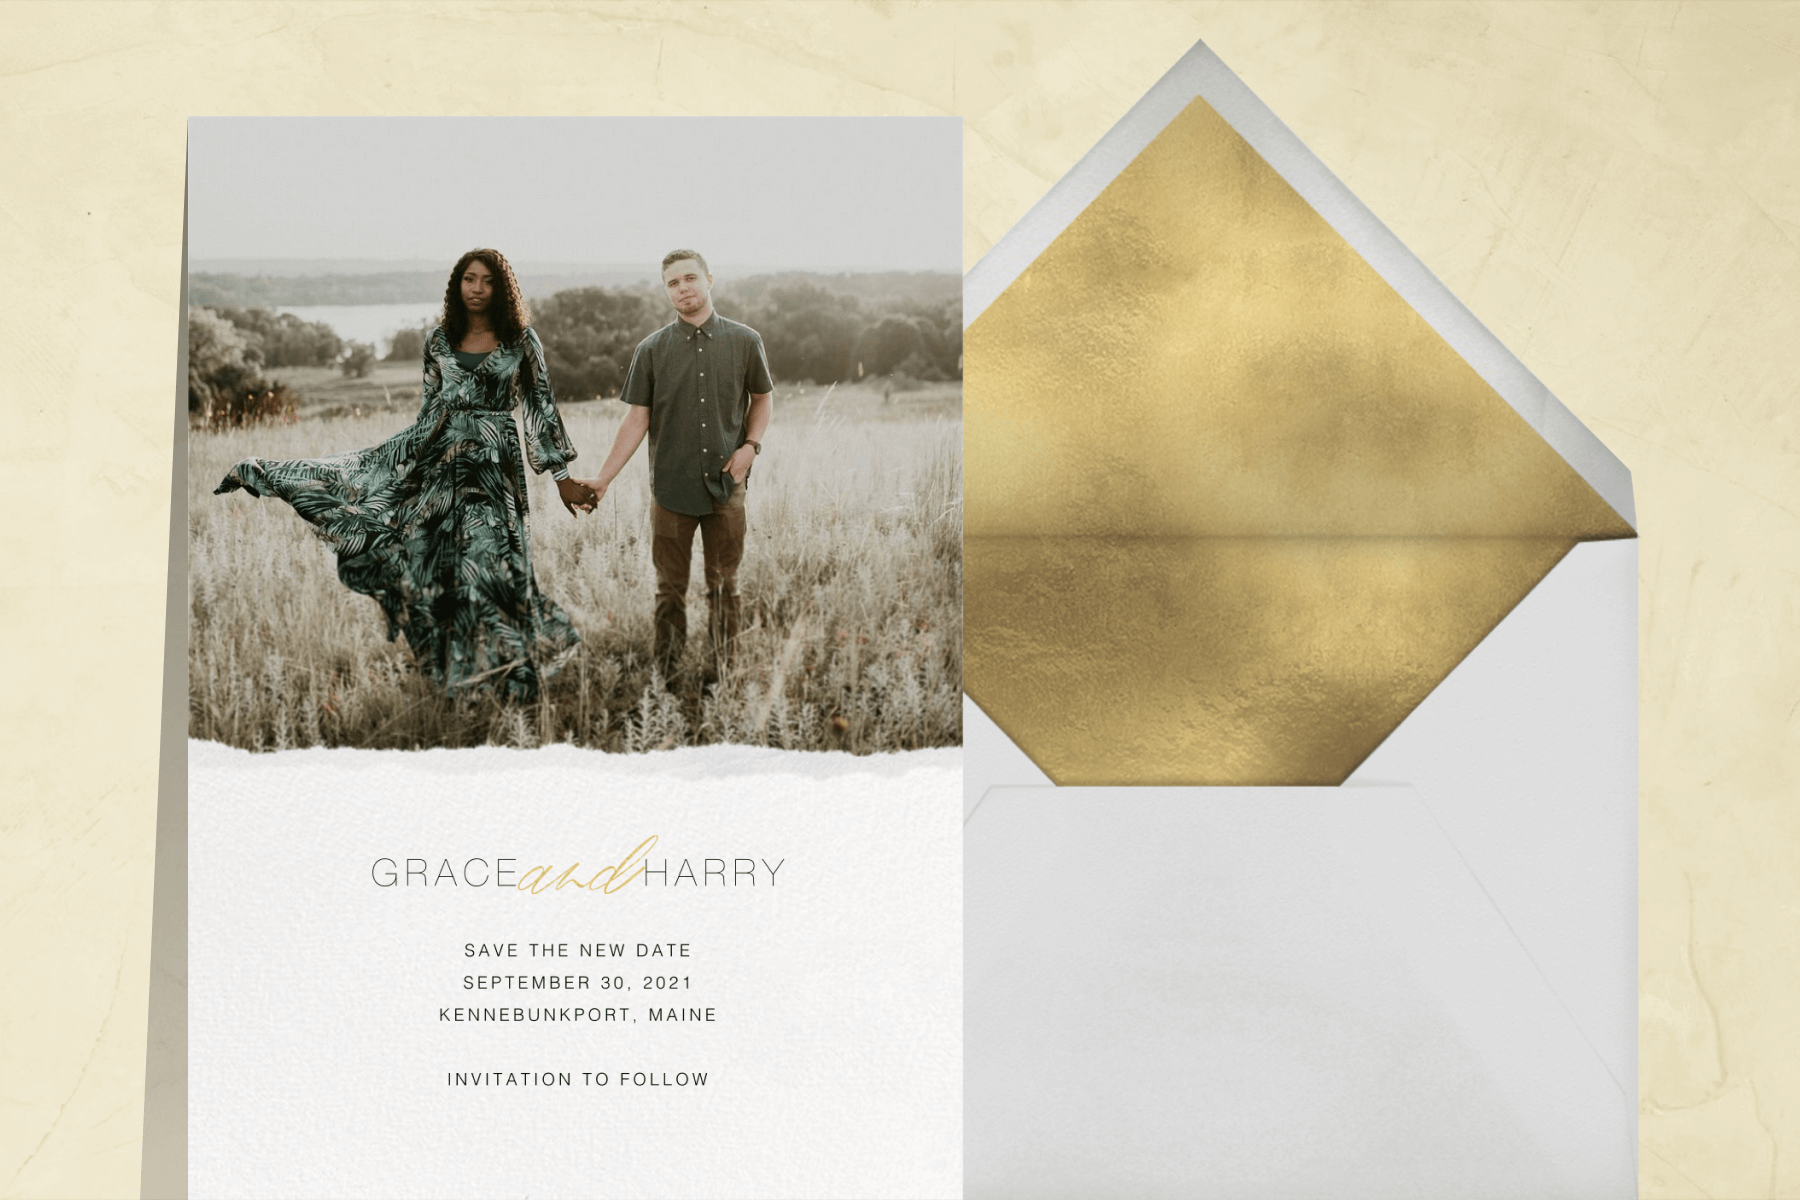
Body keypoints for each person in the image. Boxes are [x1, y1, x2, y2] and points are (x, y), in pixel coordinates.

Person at [215, 248, 598, 701]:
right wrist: (392, 467)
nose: (477, 288)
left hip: (495, 470)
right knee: (442, 566)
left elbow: (540, 408)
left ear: (503, 288)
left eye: (488, 281)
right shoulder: (439, 340)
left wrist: (562, 478)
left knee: (494, 565)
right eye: (469, 279)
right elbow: (428, 414)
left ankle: (511, 672)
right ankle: (462, 676)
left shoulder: (520, 340)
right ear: (457, 285)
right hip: (439, 467)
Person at [580, 249, 773, 684]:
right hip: (670, 492)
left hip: (727, 489)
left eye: (690, 278)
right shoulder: (651, 350)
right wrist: (603, 479)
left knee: (725, 586)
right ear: (666, 290)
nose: (683, 288)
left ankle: (723, 675)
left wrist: (750, 446)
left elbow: (762, 397)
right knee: (669, 592)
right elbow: (636, 419)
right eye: (673, 282)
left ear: (709, 279)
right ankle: (666, 678)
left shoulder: (745, 340)